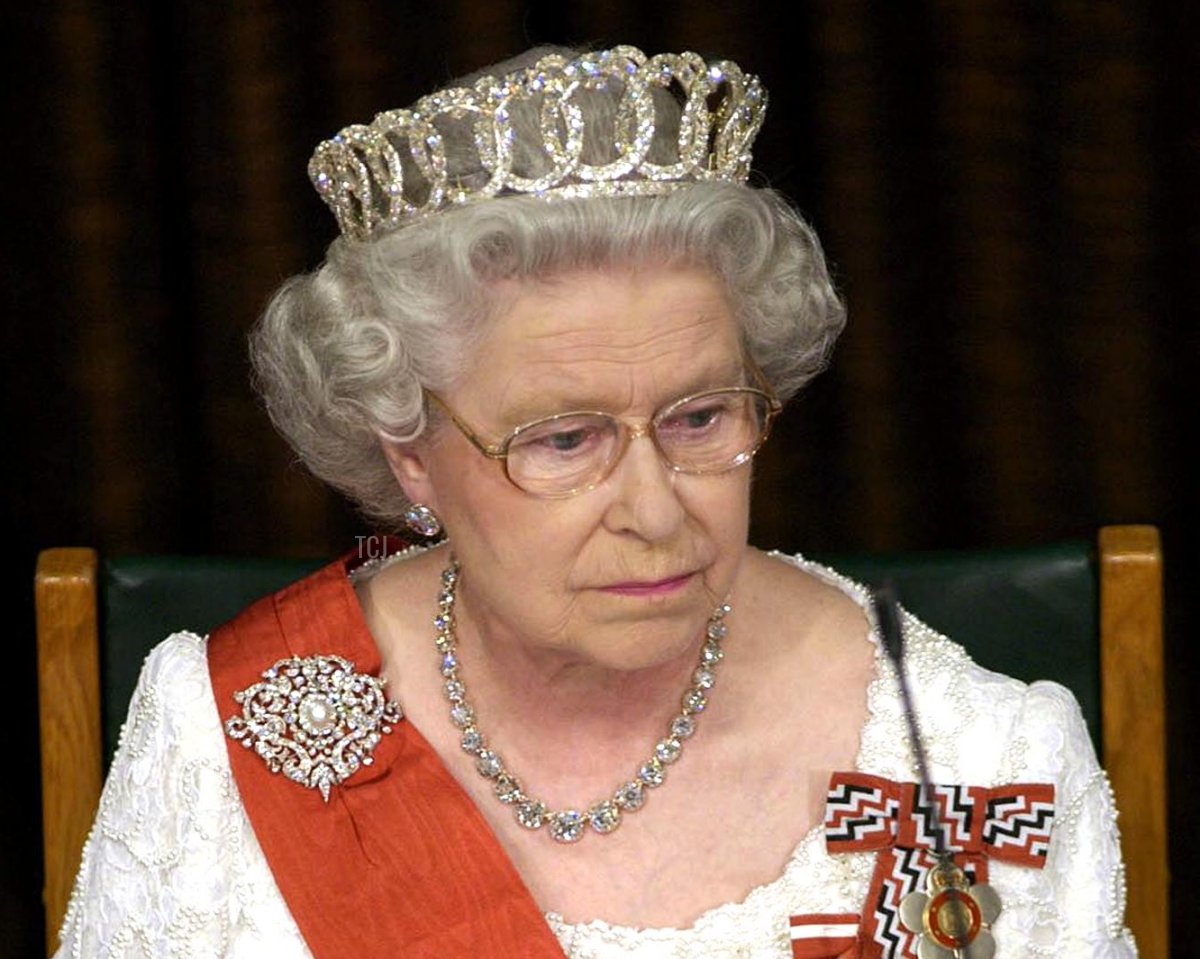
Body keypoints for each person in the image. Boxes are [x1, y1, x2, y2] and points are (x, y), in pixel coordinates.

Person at [55, 45, 1135, 958]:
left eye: (702, 418)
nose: (657, 510)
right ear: (412, 455)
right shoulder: (221, 730)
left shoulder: (981, 761)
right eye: (563, 439)